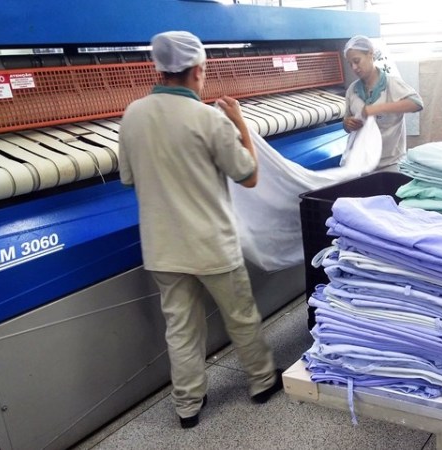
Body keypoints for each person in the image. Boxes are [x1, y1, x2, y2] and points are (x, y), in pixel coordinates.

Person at [118, 31, 282, 429]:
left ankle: (188, 406)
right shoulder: (208, 118)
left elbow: (127, 178)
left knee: (181, 328)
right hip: (212, 246)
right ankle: (261, 382)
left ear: (160, 69)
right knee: (240, 317)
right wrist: (239, 122)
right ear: (196, 70)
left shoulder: (132, 115)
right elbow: (248, 176)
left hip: (162, 247)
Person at [342, 35, 423, 171]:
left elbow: (416, 103)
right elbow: (346, 123)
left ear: (370, 55)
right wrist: (347, 124)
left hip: (389, 164)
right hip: (360, 164)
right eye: (350, 64)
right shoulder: (352, 90)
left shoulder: (392, 84)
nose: (354, 67)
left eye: (357, 61)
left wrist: (377, 108)